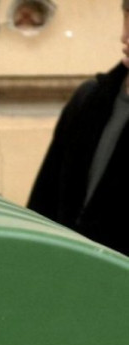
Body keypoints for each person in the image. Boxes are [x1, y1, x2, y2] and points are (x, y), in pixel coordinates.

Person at [27, 0, 129, 256]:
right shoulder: (88, 100)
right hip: (67, 279)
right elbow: (42, 207)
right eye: (127, 15)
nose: (125, 35)